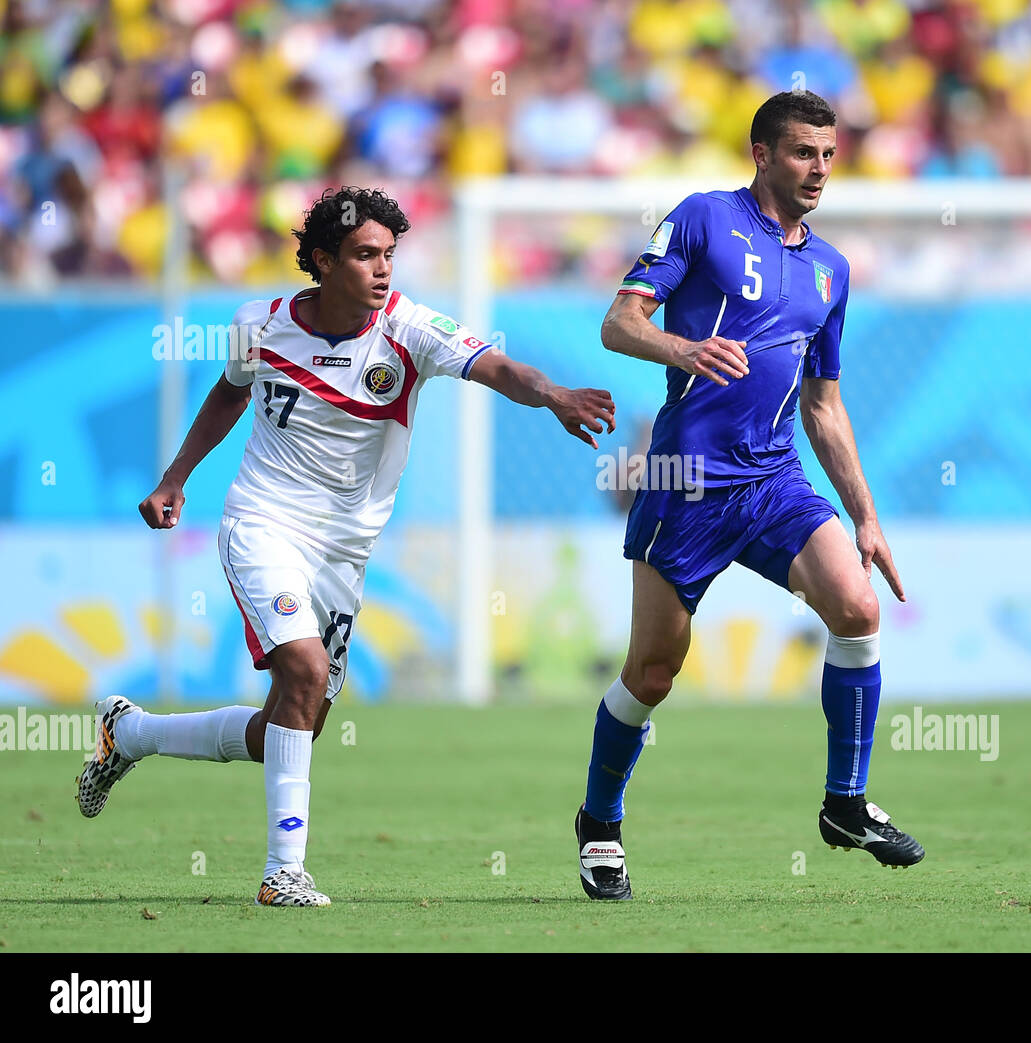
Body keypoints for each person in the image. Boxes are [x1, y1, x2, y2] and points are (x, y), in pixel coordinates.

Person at [78, 187, 615, 907]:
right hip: (263, 523)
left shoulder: (410, 329)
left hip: (343, 555)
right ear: (325, 261)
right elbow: (231, 392)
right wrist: (176, 476)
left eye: (390, 254)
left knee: (287, 727)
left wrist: (552, 394)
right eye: (366, 255)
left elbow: (500, 368)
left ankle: (131, 733)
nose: (384, 269)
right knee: (301, 669)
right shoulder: (260, 325)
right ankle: (282, 872)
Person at [576, 91, 923, 901]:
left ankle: (845, 803)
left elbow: (823, 405)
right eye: (805, 152)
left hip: (775, 481)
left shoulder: (831, 269)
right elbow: (619, 322)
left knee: (858, 609)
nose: (820, 170)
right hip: (687, 484)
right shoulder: (702, 218)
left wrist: (866, 516)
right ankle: (600, 822)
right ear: (762, 152)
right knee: (653, 672)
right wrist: (684, 347)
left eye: (830, 155)